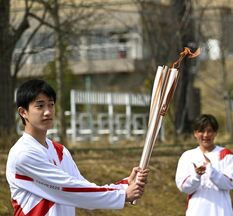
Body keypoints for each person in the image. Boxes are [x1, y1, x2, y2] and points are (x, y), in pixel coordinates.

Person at [6, 79, 149, 215]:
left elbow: (83, 189)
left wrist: (124, 185)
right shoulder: (23, 154)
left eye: (51, 104)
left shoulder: (60, 151)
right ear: (23, 112)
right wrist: (122, 195)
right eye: (40, 106)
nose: (48, 111)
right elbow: (68, 189)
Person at [175, 114, 233, 216]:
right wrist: (196, 176)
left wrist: (211, 170)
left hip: (222, 212)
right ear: (195, 133)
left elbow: (231, 183)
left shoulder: (226, 155)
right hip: (196, 212)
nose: (205, 135)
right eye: (201, 131)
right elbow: (183, 187)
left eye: (209, 131)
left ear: (215, 133)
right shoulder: (187, 156)